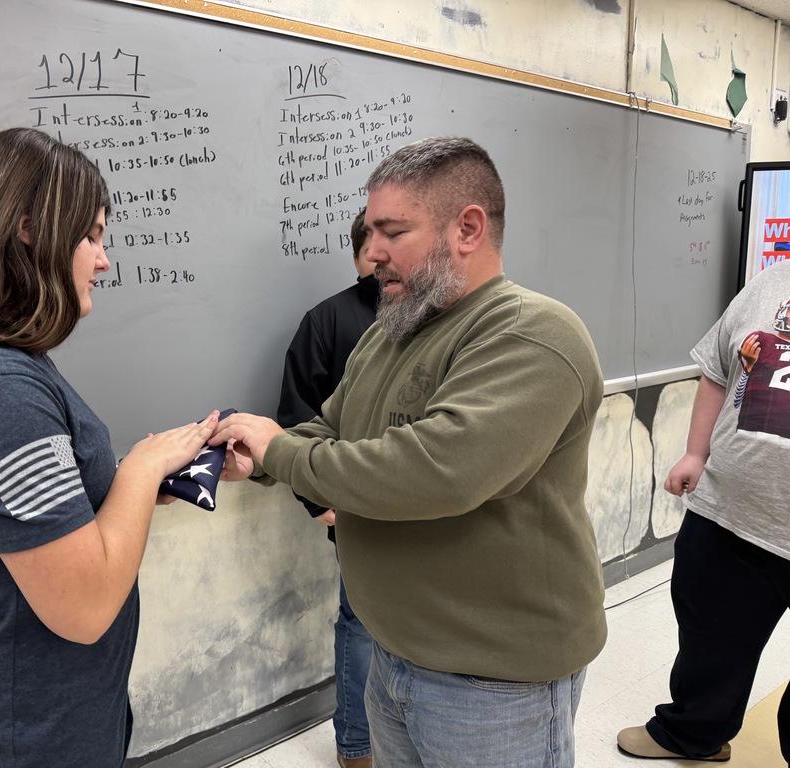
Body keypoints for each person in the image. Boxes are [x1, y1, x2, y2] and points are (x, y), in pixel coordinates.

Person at [212, 136, 607, 767]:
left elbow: (438, 471)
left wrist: (280, 453)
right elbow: (328, 430)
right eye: (370, 233)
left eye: (391, 232)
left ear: (467, 229)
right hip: (392, 656)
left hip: (492, 685)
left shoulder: (532, 333)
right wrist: (258, 456)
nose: (371, 255)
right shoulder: (388, 336)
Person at [0, 127, 218, 768]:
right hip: (27, 739)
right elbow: (84, 607)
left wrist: (153, 479)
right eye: (91, 236)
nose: (104, 259)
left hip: (57, 721)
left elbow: (52, 520)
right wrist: (142, 468)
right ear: (30, 229)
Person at [617, 258, 790, 764]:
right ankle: (692, 733)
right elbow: (719, 370)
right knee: (710, 639)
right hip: (732, 512)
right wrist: (696, 452)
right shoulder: (772, 280)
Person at [276, 208, 379, 768]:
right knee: (362, 622)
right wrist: (318, 502)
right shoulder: (327, 320)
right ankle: (358, 747)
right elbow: (296, 416)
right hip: (354, 506)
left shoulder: (436, 316)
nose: (384, 255)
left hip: (419, 505)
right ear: (359, 251)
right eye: (375, 242)